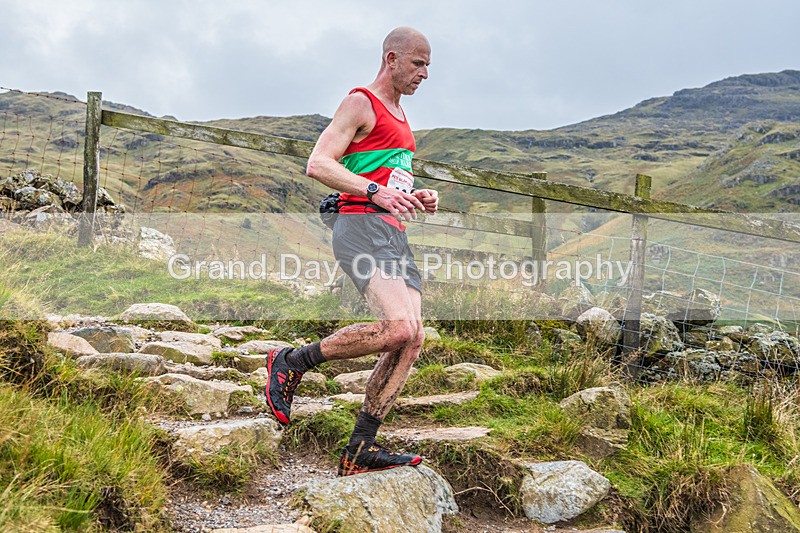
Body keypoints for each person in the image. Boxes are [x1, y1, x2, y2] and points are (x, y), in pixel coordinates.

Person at [264, 26, 439, 476]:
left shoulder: (400, 117)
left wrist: (415, 196)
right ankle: (291, 361)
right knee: (398, 328)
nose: (424, 74)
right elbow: (319, 162)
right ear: (392, 58)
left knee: (412, 338)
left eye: (428, 66)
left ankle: (361, 447)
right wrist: (376, 192)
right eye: (418, 63)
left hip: (393, 232)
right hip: (360, 226)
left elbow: (385, 179)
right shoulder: (361, 101)